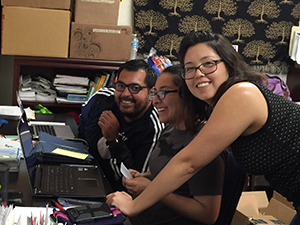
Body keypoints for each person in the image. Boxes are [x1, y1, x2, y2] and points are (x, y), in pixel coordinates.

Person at [106, 31, 300, 225]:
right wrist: (150, 177)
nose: (198, 73)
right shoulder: (218, 108)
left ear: (228, 64)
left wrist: (134, 205)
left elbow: (188, 162)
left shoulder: (241, 94)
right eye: (189, 68)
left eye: (208, 63)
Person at [123, 65, 225, 225]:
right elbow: (174, 173)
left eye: (163, 93)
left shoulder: (204, 145)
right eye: (154, 93)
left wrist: (152, 190)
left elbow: (207, 214)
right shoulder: (170, 129)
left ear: (186, 95)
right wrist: (144, 177)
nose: (156, 100)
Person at [78, 59, 164, 191]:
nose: (125, 94)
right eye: (120, 85)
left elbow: (133, 182)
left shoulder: (154, 127)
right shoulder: (102, 99)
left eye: (135, 88)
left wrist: (114, 140)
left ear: (151, 92)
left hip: (115, 192)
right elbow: (82, 137)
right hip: (83, 170)